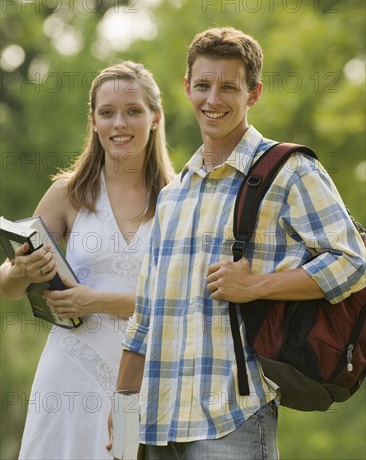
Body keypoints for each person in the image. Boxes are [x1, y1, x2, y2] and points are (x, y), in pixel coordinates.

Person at [114, 28, 366, 460]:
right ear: (187, 88)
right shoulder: (173, 195)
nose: (213, 99)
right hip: (157, 426)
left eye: (229, 87)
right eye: (203, 85)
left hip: (233, 420)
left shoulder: (289, 171)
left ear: (254, 93)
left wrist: (256, 286)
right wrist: (122, 420)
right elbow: (144, 319)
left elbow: (352, 263)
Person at [0, 61, 175, 460]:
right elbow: (8, 285)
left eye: (133, 111)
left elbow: (184, 304)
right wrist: (21, 270)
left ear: (155, 119)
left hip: (142, 377)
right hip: (67, 376)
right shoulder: (68, 193)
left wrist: (95, 301)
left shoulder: (178, 200)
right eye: (107, 112)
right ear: (93, 121)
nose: (120, 124)